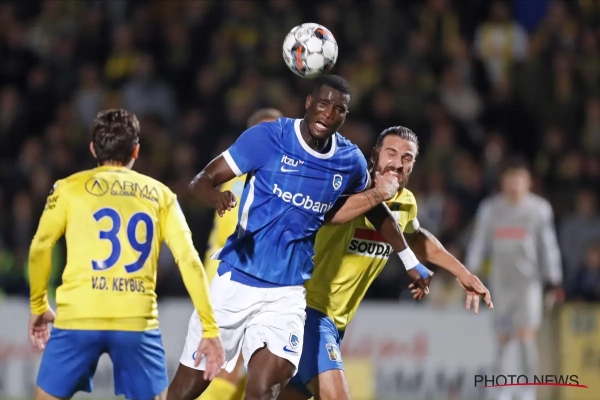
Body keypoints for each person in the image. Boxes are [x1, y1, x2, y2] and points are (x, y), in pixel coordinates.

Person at [167, 75, 432, 400]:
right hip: (235, 284)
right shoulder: (268, 137)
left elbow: (376, 209)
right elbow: (201, 181)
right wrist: (216, 197)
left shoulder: (348, 160)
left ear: (344, 116)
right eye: (323, 103)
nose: (328, 113)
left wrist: (409, 260)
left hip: (287, 295)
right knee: (185, 391)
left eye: (338, 109)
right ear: (308, 102)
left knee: (264, 391)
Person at [278, 126, 493, 400]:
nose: (398, 163)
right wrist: (378, 194)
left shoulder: (405, 202)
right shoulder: (348, 186)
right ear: (374, 155)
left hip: (337, 321)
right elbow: (331, 212)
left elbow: (415, 237)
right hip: (306, 309)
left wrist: (462, 273)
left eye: (407, 157)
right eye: (391, 153)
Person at [28, 109, 224, 400]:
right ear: (136, 150)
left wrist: (38, 304)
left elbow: (41, 246)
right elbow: (189, 260)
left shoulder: (67, 189)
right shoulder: (161, 195)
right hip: (136, 321)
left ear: (93, 148)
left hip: (79, 317)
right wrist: (209, 327)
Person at [199, 108, 284, 400]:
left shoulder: (250, 176)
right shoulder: (244, 179)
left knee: (246, 370)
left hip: (247, 282)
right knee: (229, 368)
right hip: (231, 282)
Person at [465, 157, 563, 400]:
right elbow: (479, 242)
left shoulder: (539, 210)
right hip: (501, 283)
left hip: (528, 284)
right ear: (503, 181)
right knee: (502, 337)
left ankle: (527, 390)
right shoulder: (491, 208)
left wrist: (553, 280)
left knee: (526, 335)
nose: (515, 184)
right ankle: (502, 389)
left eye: (520, 178)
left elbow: (548, 246)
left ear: (528, 182)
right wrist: (469, 272)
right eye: (510, 178)